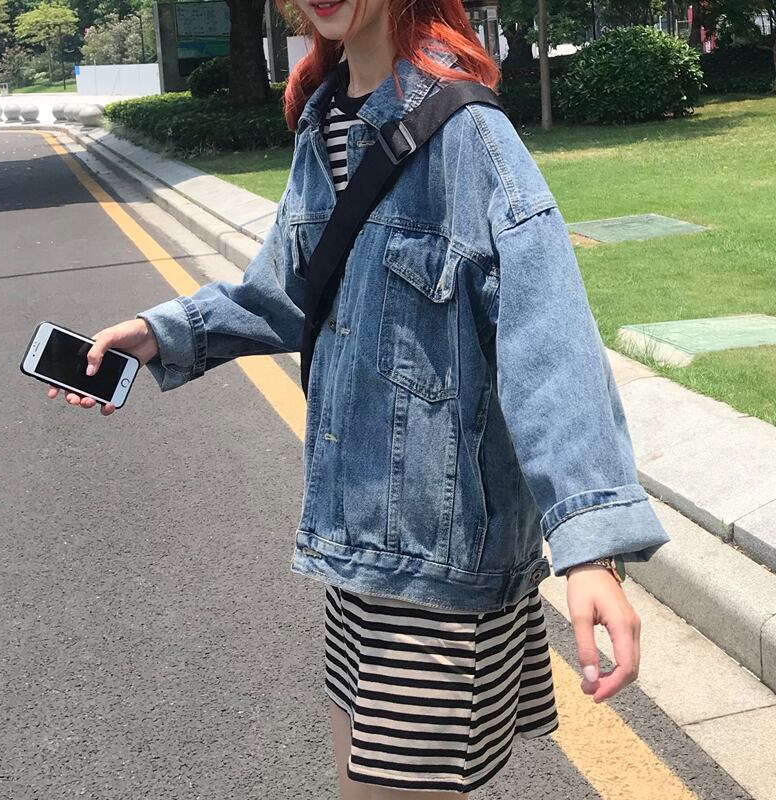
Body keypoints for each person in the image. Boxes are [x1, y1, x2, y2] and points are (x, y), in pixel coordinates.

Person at [45, 0, 671, 796]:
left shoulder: (470, 137)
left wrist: (589, 546)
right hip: (354, 553)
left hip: (440, 566)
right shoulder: (324, 118)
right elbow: (286, 290)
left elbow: (548, 341)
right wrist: (157, 333)